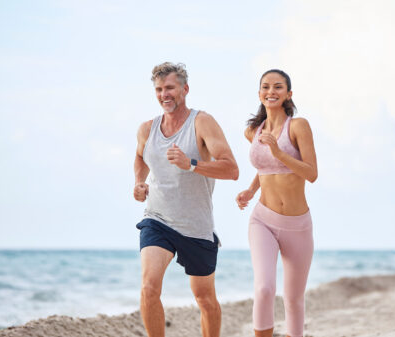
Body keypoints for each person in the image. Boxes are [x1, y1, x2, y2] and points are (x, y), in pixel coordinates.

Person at [134, 62, 239, 337]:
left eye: (169, 87)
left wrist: (191, 163)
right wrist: (139, 182)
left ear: (185, 89)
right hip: (157, 219)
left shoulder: (202, 122)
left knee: (205, 299)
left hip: (196, 226)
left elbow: (231, 169)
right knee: (148, 287)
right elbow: (140, 156)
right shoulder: (147, 128)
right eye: (159, 89)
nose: (164, 94)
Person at [235, 69, 318, 337]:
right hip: (263, 220)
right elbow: (265, 169)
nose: (271, 91)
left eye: (278, 87)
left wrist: (279, 151)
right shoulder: (252, 131)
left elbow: (311, 173)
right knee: (264, 289)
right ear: (259, 93)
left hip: (297, 225)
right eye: (266, 87)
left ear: (288, 94)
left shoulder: (298, 126)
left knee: (293, 300)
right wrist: (249, 190)